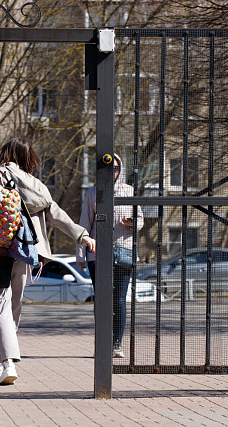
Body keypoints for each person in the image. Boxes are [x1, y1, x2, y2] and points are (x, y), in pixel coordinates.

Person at [0, 137, 96, 385]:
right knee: (14, 307)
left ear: (5, 154)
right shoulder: (37, 186)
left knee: (0, 306)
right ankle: (2, 362)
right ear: (27, 158)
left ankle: (6, 362)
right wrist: (81, 235)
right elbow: (55, 214)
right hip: (25, 251)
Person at [76, 153, 143, 358]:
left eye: (115, 168)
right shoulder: (93, 193)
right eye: (108, 168)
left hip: (124, 250)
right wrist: (80, 254)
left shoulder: (129, 191)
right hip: (98, 253)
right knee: (102, 300)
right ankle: (103, 343)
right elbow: (84, 225)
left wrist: (131, 223)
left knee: (120, 300)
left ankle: (116, 344)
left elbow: (140, 221)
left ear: (120, 169)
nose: (112, 172)